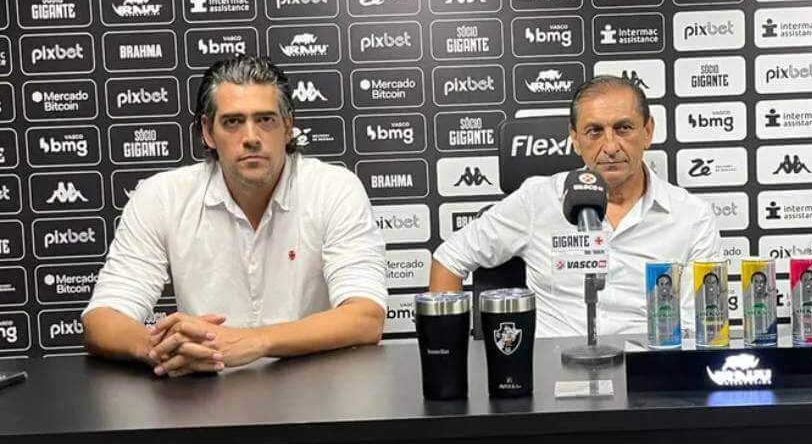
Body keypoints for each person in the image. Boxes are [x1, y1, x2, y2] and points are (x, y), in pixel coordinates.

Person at [82, 56, 387, 377]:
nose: (251, 136)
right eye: (232, 122)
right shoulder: (162, 196)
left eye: (266, 119)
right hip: (204, 395)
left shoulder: (334, 189)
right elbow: (102, 318)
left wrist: (256, 341)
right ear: (207, 132)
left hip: (319, 393)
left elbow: (366, 317)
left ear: (288, 127)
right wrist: (158, 350)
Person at [430, 75, 721, 337]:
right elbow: (449, 258)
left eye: (623, 128)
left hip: (648, 372)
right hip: (552, 373)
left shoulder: (692, 217)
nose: (610, 146)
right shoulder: (537, 200)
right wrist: (451, 354)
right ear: (575, 140)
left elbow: (704, 326)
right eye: (594, 131)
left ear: (648, 131)